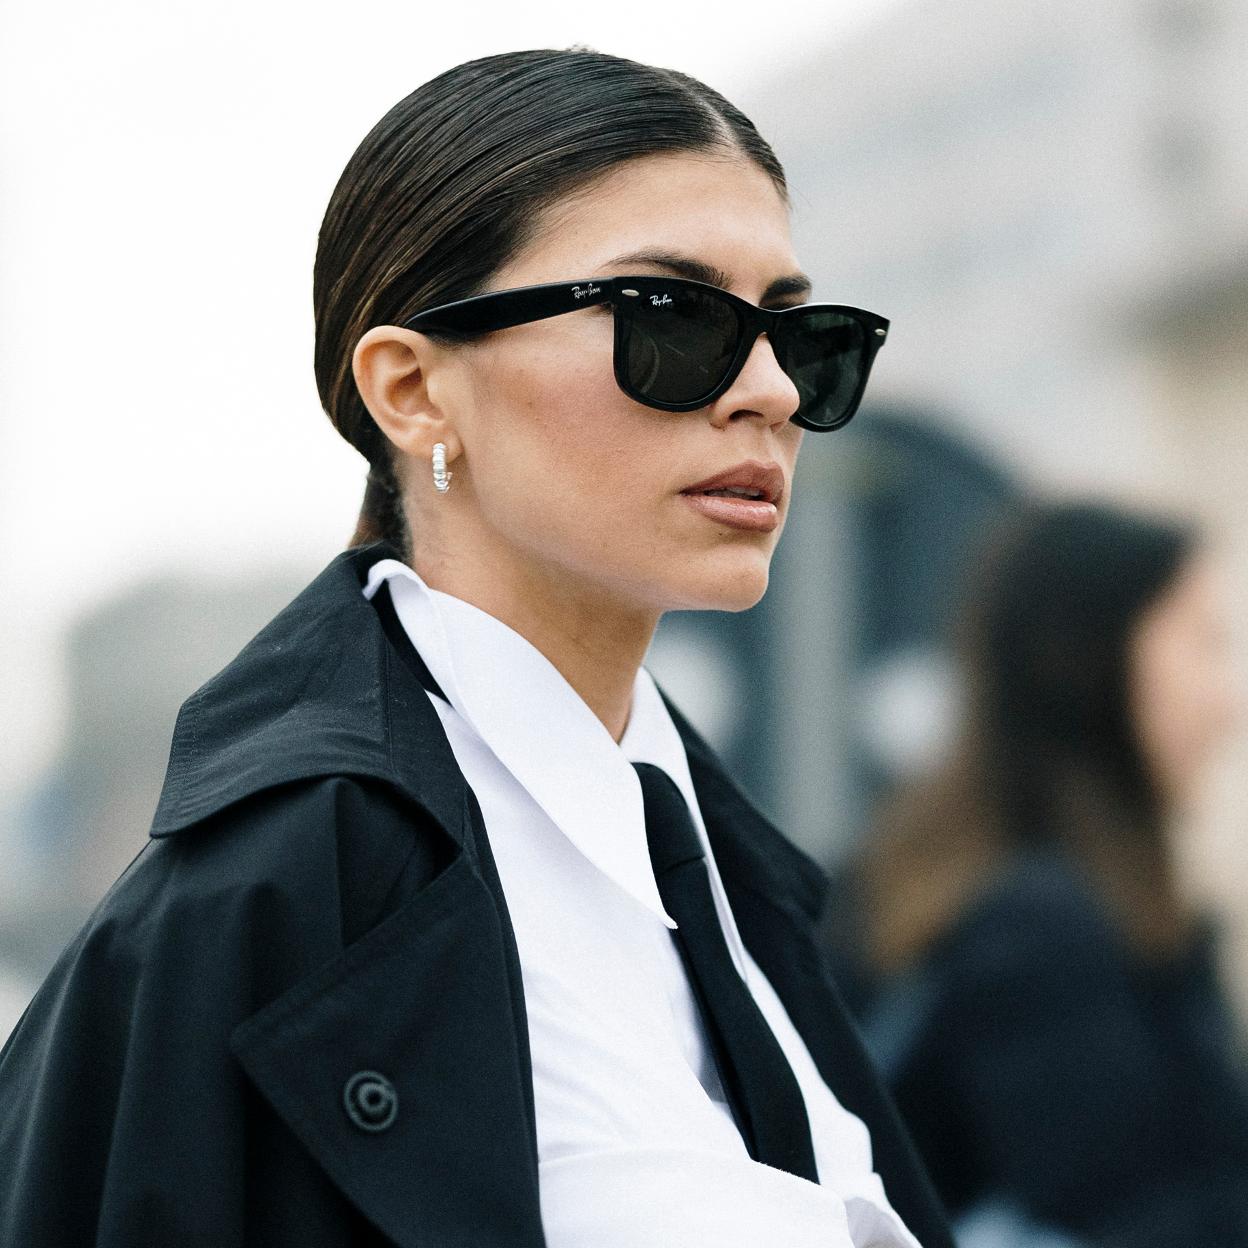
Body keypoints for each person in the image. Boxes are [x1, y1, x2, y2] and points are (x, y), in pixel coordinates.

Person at [0, 49, 953, 1248]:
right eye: (673, 316)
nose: (766, 388)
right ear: (413, 390)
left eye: (799, 334)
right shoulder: (281, 887)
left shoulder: (727, 869)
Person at [835, 500, 1248, 1246]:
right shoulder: (1035, 931)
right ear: (1092, 654)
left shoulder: (938, 882)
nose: (1229, 701)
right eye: (1204, 643)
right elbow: (1138, 1222)